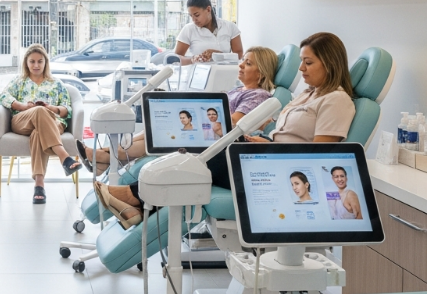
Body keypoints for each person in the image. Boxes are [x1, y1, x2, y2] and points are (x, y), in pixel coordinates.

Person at [96, 32, 358, 229]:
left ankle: (132, 197)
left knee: (205, 149)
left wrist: (269, 147)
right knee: (202, 147)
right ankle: (136, 203)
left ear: (330, 63)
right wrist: (264, 137)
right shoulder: (307, 95)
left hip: (282, 171)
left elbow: (319, 156)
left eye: (308, 63)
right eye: (301, 62)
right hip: (269, 156)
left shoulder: (336, 100)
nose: (301, 69)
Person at [78, 46, 278, 177]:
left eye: (248, 63)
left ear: (261, 72)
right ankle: (107, 156)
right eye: (243, 60)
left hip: (217, 140)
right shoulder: (238, 90)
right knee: (154, 128)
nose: (241, 65)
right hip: (208, 133)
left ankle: (109, 156)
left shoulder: (258, 95)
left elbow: (231, 124)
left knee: (159, 137)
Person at [0, 44, 81, 204]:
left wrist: (51, 108)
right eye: (32, 61)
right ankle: (64, 157)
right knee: (38, 111)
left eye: (40, 61)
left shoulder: (56, 84)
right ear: (26, 63)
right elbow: (2, 97)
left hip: (53, 123)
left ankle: (39, 186)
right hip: (23, 121)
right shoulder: (19, 82)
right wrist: (22, 106)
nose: (36, 65)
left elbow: (67, 110)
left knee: (39, 129)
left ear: (45, 63)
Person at [174, 0, 243, 65]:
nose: (194, 20)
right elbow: (176, 58)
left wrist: (218, 55)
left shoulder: (230, 27)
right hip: (199, 74)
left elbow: (239, 55)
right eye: (191, 16)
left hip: (224, 73)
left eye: (197, 15)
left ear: (208, 9)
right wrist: (192, 59)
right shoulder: (189, 29)